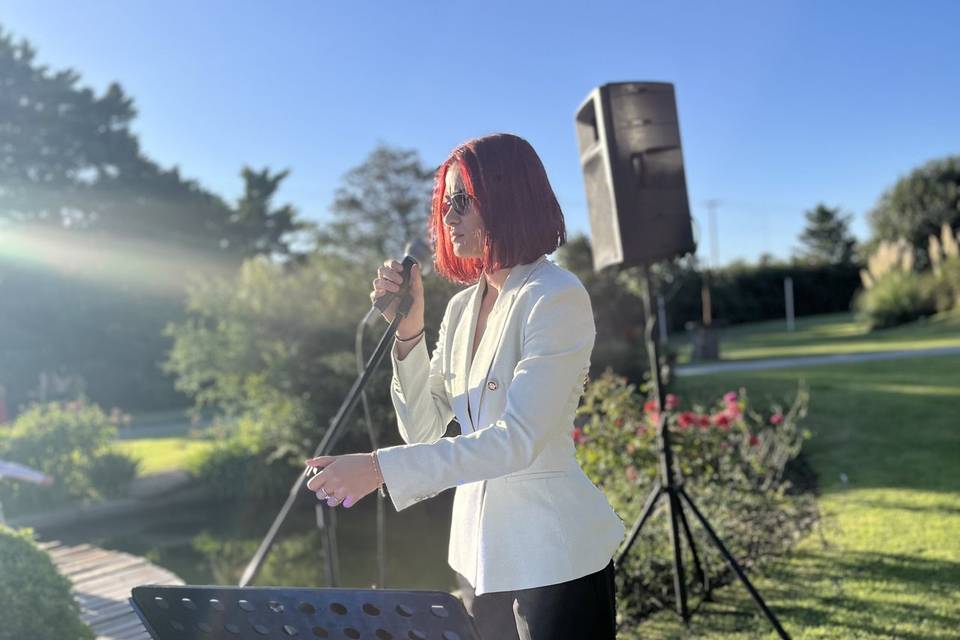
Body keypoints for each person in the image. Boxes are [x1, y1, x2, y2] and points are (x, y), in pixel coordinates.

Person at [305, 133, 625, 640]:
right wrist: (411, 330)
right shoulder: (459, 309)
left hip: (554, 558)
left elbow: (517, 440)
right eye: (444, 203)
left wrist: (376, 468)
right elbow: (424, 432)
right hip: (478, 557)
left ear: (507, 197)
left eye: (461, 200)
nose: (446, 218)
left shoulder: (555, 295)